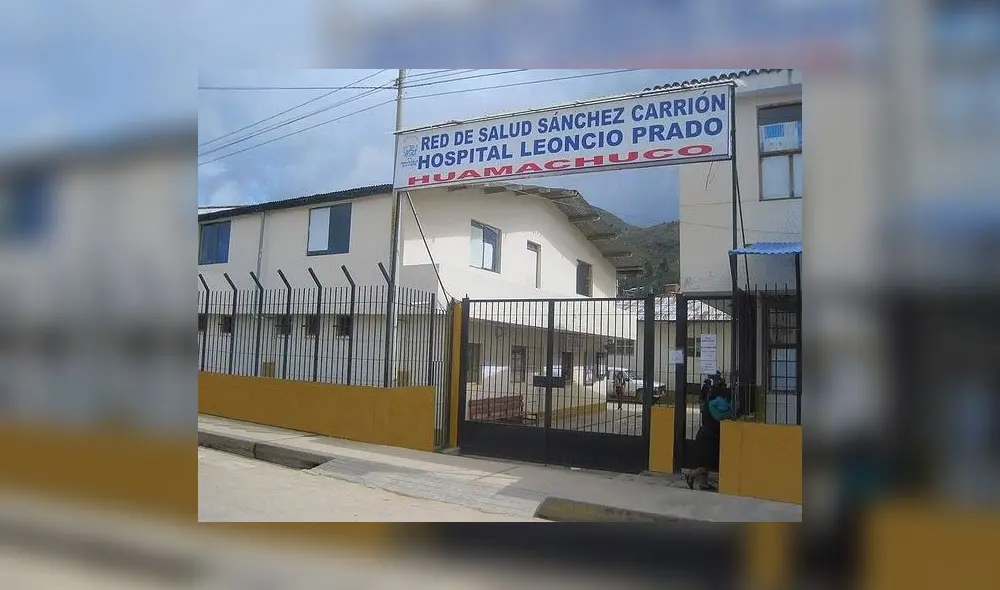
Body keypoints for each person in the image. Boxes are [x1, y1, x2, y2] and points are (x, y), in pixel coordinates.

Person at [686, 371, 732, 491]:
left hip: (706, 433)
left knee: (705, 462)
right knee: (705, 464)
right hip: (708, 435)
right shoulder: (714, 406)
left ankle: (704, 484)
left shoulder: (709, 404)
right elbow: (723, 416)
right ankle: (691, 475)